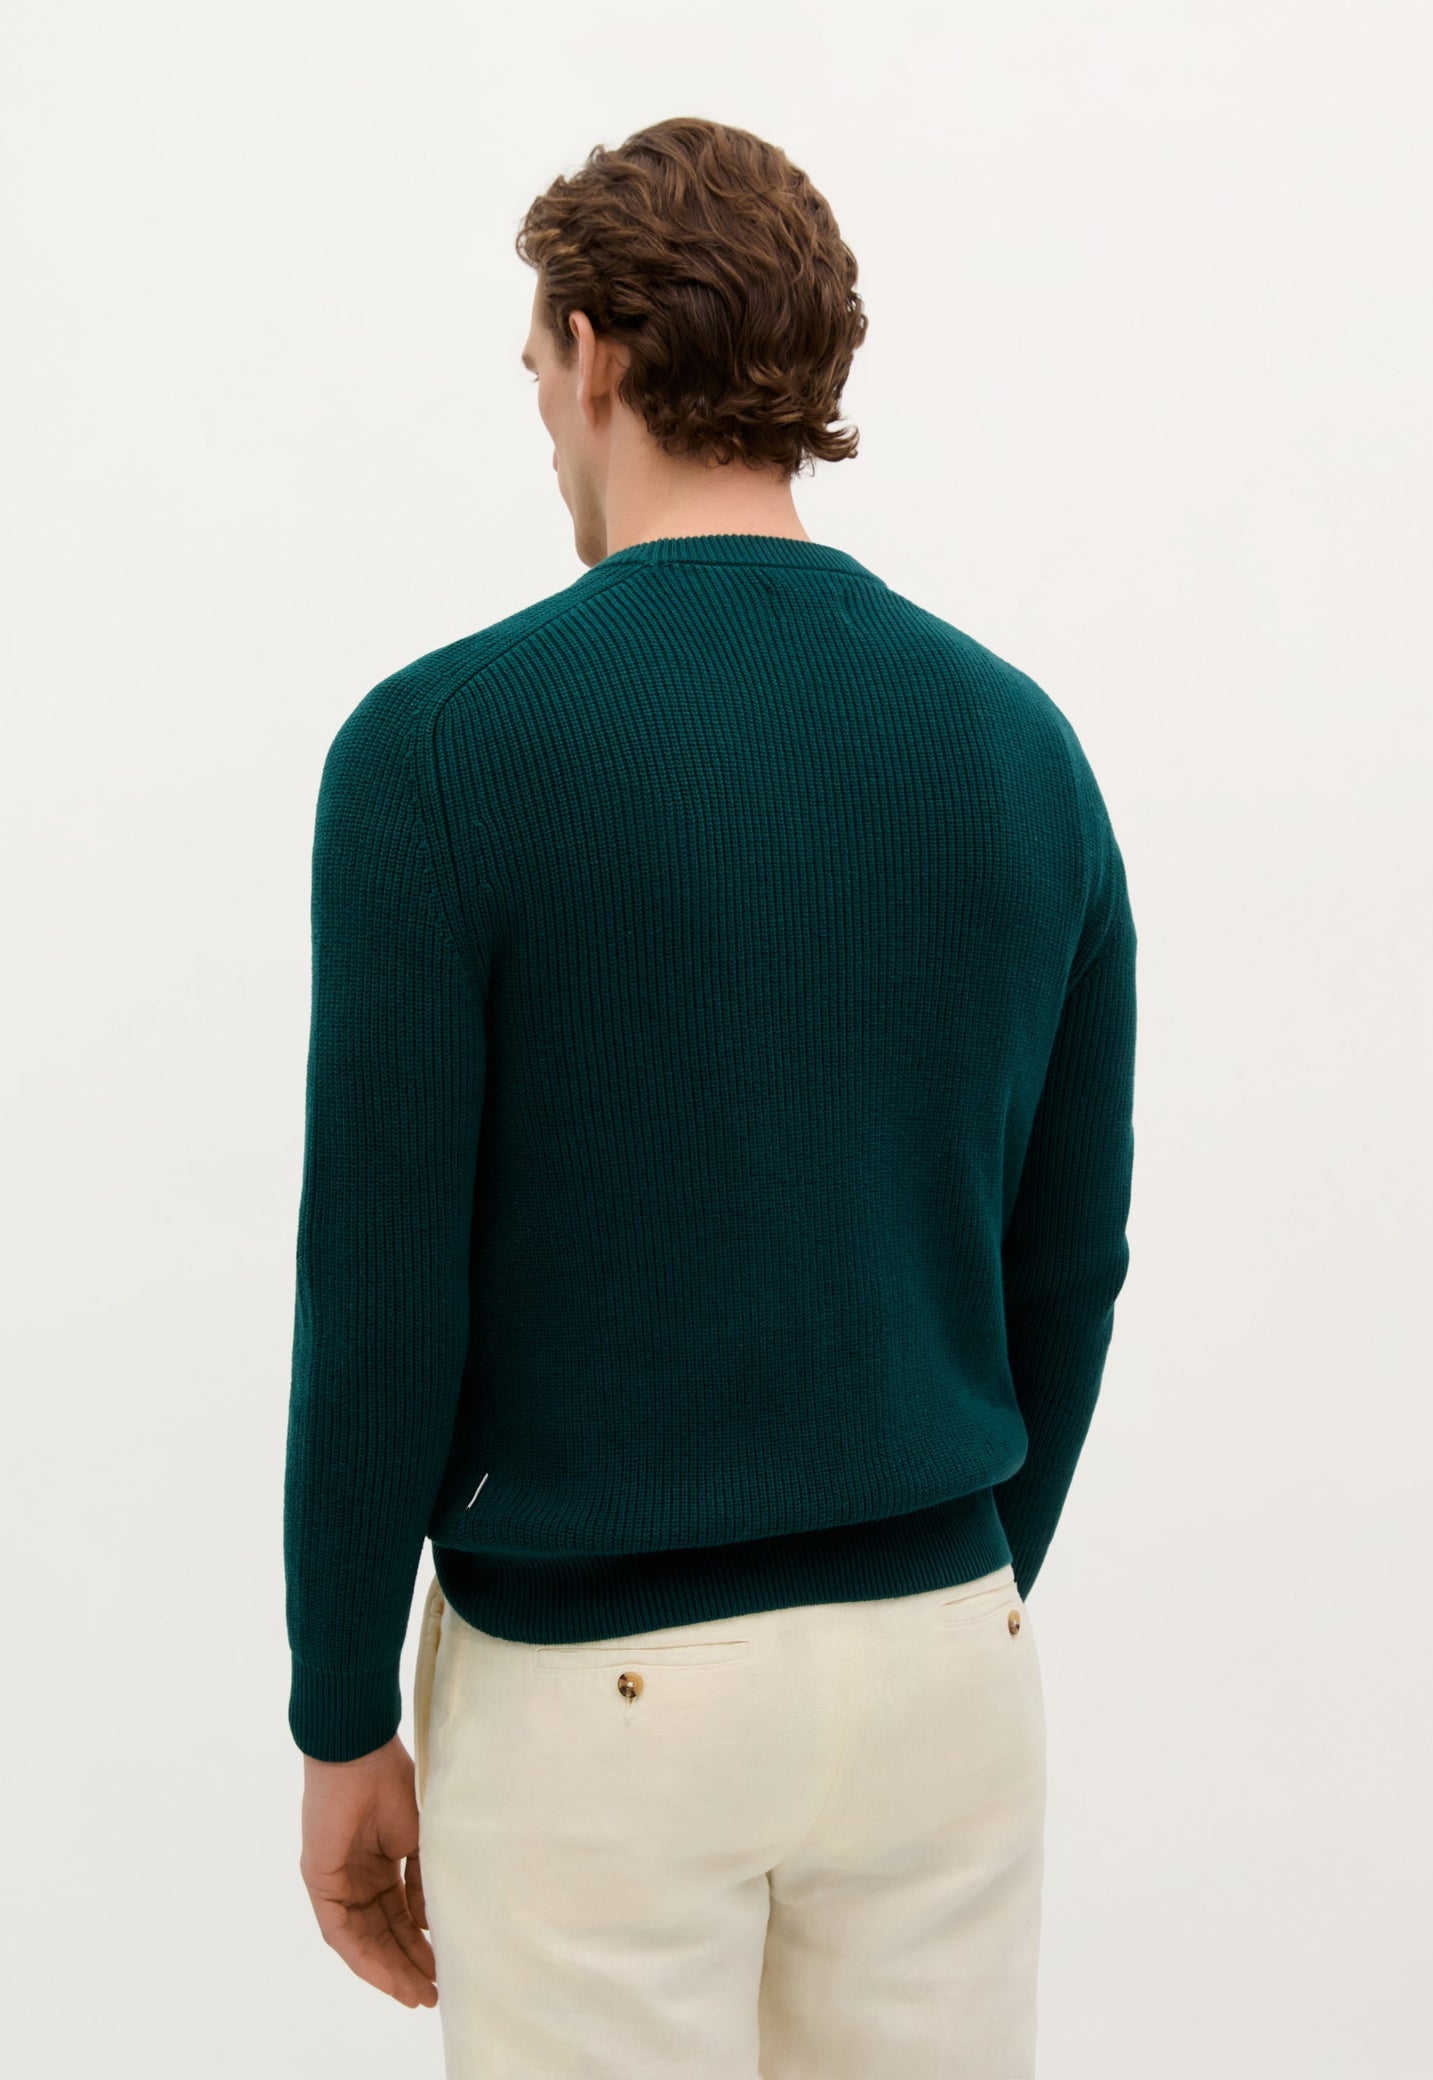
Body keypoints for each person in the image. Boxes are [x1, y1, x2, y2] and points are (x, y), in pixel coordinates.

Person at [284, 114, 1137, 2079]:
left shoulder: (438, 752)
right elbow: (1067, 1258)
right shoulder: (1019, 747)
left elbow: (382, 1294)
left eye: (534, 370)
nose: (542, 421)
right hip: (945, 1658)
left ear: (592, 354)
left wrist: (342, 1712)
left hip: (600, 1691)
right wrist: (945, 1586)